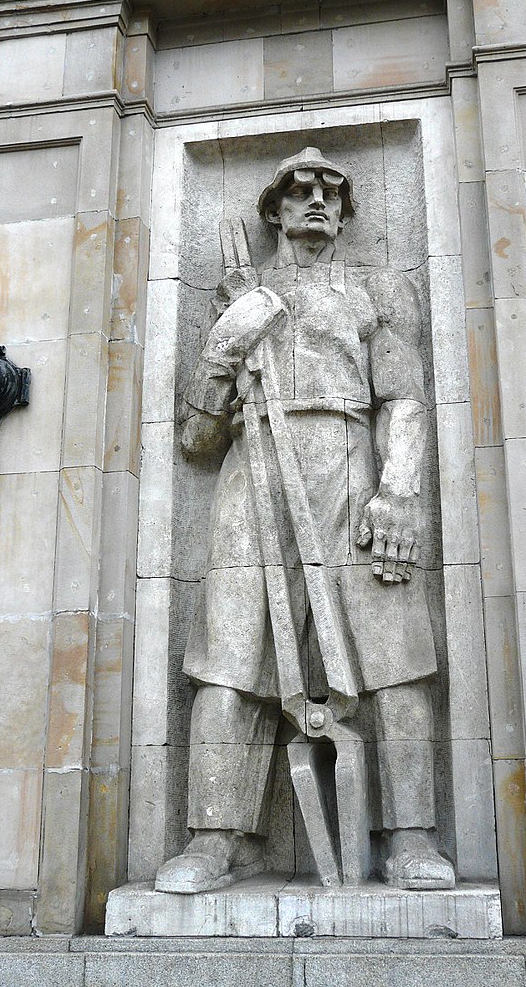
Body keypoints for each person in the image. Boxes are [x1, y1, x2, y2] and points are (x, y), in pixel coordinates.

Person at [155, 147, 455, 894]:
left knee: (394, 654)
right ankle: (215, 838)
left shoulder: (376, 289)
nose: (315, 200)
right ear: (275, 209)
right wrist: (228, 341)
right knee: (228, 655)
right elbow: (196, 440)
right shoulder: (241, 294)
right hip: (252, 469)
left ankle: (412, 837)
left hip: (351, 463)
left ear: (346, 211)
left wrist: (399, 492)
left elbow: (405, 399)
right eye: (298, 191)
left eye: (330, 191)